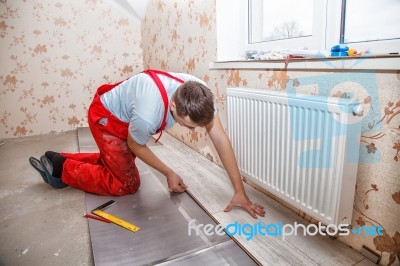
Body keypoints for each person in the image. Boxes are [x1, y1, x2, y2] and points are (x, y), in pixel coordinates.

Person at [29, 69, 265, 219]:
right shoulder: (147, 114)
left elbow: (221, 139)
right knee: (125, 183)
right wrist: (168, 172)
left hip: (128, 116)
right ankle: (62, 170)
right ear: (173, 107)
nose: (193, 131)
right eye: (189, 125)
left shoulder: (199, 94)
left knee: (115, 162)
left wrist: (239, 192)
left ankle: (58, 158)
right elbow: (136, 145)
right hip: (106, 118)